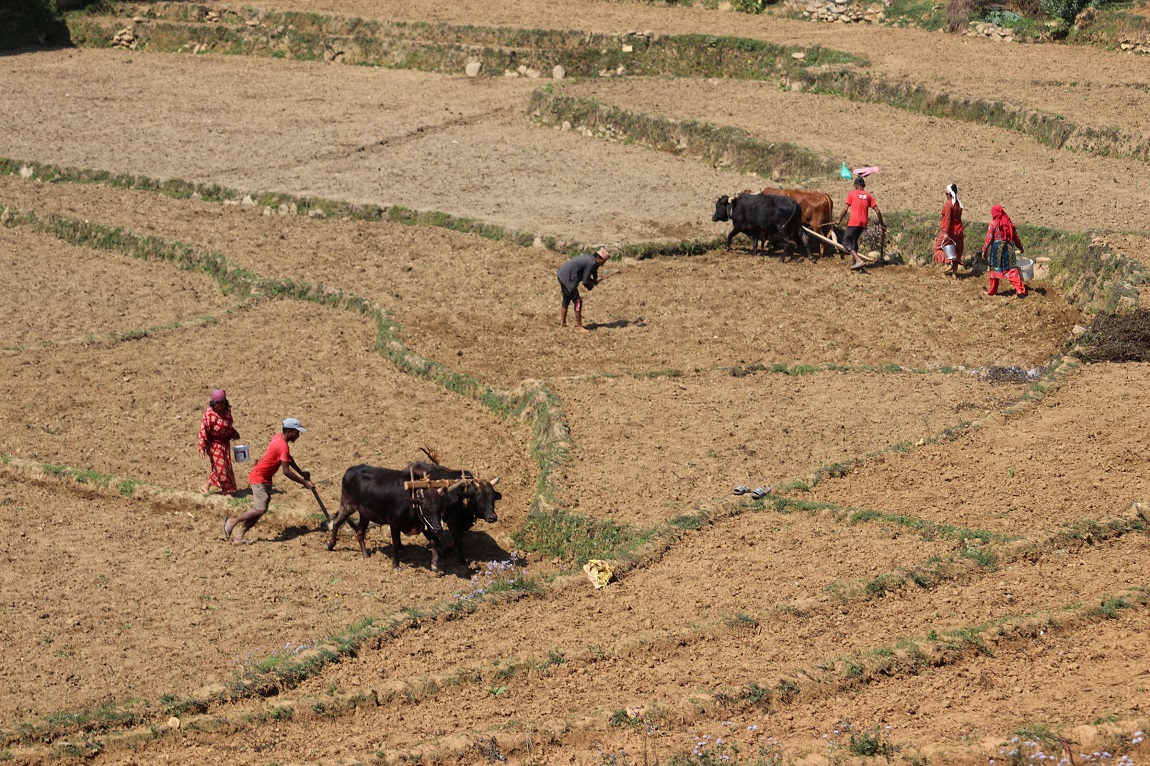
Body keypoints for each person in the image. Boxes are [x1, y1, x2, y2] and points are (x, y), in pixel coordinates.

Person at [223, 417, 315, 544]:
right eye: (296, 432)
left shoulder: (279, 438)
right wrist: (304, 482)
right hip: (259, 477)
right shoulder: (282, 445)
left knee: (260, 509)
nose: (298, 435)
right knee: (260, 509)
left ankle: (239, 536)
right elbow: (286, 471)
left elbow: (288, 458)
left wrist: (301, 473)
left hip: (264, 478)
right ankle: (232, 522)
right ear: (289, 431)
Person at [835, 176, 885, 272]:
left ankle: (858, 260)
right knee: (854, 241)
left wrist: (839, 220)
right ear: (863, 186)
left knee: (845, 242)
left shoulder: (852, 194)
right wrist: (882, 224)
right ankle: (854, 264)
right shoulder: (868, 196)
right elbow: (878, 211)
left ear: (856, 186)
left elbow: (845, 209)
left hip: (854, 221)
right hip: (863, 223)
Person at [198, 389, 240, 495]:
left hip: (225, 444)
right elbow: (203, 431)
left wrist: (234, 433)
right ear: (213, 403)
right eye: (217, 404)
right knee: (221, 468)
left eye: (222, 403)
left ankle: (205, 486)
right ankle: (226, 491)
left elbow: (228, 425)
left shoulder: (227, 412)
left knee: (223, 466)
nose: (220, 406)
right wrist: (202, 447)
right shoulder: (209, 414)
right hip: (214, 444)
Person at [557, 247, 609, 333]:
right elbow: (585, 281)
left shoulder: (590, 259)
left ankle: (563, 323)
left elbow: (593, 270)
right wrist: (590, 286)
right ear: (599, 258)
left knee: (566, 298)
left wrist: (594, 280)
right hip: (569, 279)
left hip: (561, 274)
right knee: (578, 301)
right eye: (603, 262)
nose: (603, 264)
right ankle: (580, 327)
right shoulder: (592, 263)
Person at [980, 204, 1026, 298]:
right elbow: (1015, 237)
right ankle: (1019, 290)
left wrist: (984, 250)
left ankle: (992, 291)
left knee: (994, 271)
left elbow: (989, 238)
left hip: (997, 250)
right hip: (1008, 248)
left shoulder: (993, 224)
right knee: (1012, 269)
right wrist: (1020, 247)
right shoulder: (1009, 223)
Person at [933, 183, 965, 279]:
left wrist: (946, 233)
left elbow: (947, 219)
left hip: (949, 231)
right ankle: (954, 274)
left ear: (949, 194)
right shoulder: (959, 204)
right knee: (956, 250)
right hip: (959, 230)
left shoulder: (949, 205)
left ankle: (948, 262)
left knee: (938, 248)